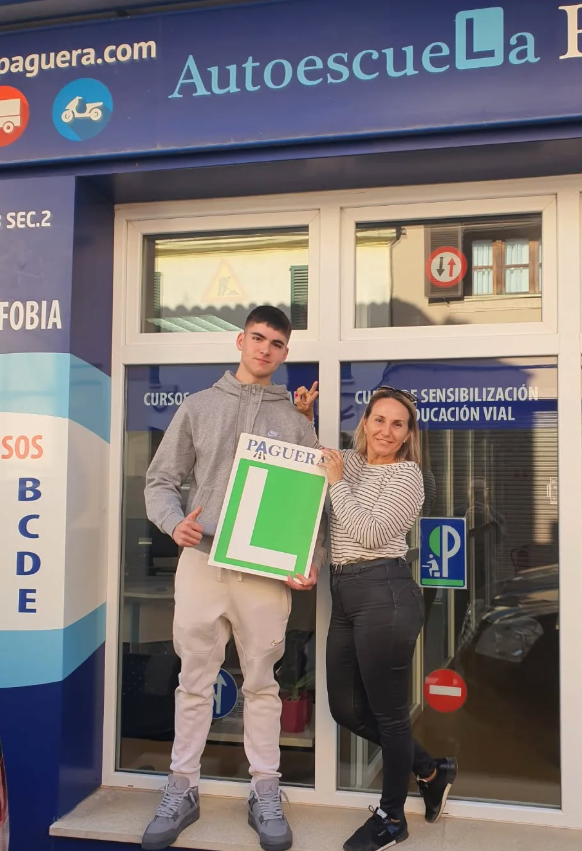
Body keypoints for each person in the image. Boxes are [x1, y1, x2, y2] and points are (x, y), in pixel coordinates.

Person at [141, 306, 325, 851]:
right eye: (258, 339)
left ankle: (265, 788)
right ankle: (182, 786)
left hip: (266, 575)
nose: (265, 349)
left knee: (263, 683)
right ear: (239, 341)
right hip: (203, 563)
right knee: (194, 680)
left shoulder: (297, 422)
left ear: (285, 353)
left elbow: (310, 501)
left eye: (276, 343)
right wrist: (175, 525)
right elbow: (160, 483)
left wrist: (307, 557)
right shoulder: (198, 408)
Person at [297, 386, 457, 851]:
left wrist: (336, 482)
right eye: (379, 420)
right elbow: (314, 464)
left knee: (389, 713)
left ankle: (392, 818)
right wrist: (306, 418)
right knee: (344, 708)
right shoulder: (351, 463)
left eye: (398, 424)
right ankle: (430, 770)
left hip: (384, 591)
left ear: (408, 436)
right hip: (344, 594)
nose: (387, 430)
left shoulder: (408, 477)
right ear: (365, 422)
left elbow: (369, 532)